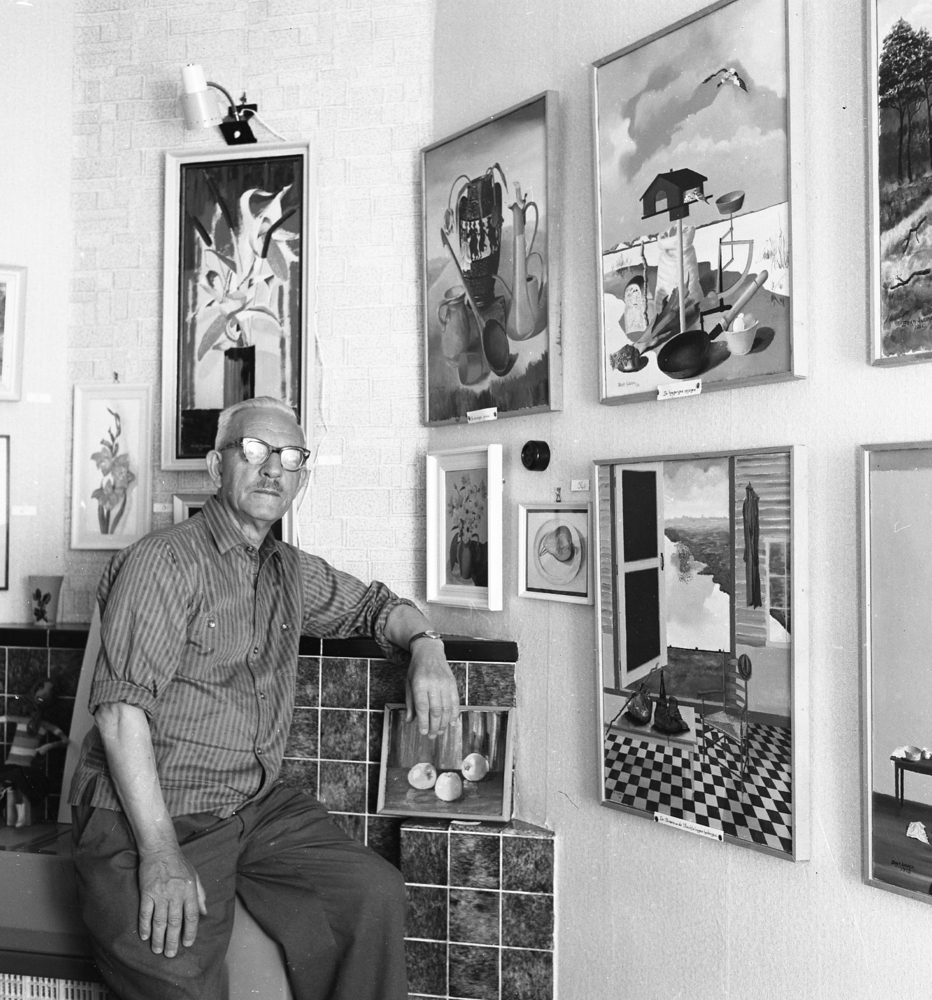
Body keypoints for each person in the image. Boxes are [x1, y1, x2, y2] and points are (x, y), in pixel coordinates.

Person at [68, 396, 460, 1000]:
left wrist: (428, 647)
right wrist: (162, 855)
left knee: (371, 893)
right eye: (254, 449)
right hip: (149, 813)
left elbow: (378, 607)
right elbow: (120, 715)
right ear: (215, 466)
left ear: (300, 477)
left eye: (291, 456)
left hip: (252, 808)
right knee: (176, 971)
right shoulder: (163, 562)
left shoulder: (287, 570)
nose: (273, 467)